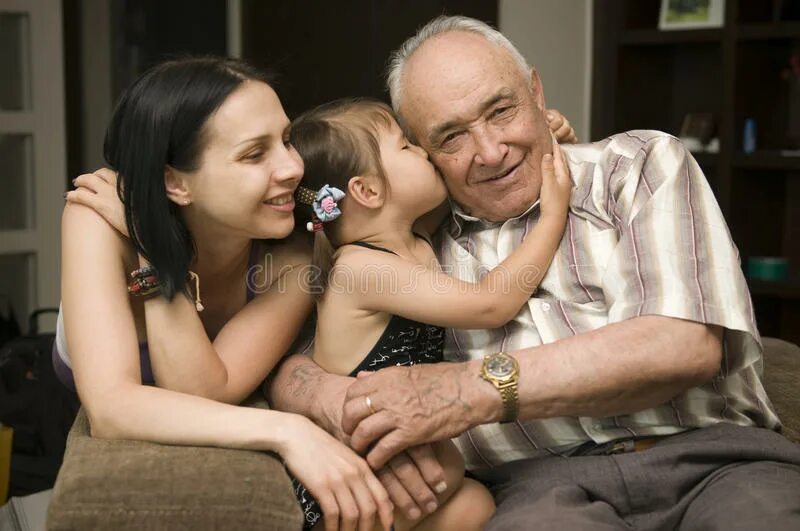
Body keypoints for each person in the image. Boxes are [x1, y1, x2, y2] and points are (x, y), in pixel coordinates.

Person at [269, 16, 800, 530]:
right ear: (425, 154)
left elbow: (682, 345)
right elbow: (301, 358)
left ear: (537, 94)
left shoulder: (636, 166)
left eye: (502, 111)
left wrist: (463, 389)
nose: (491, 151)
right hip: (538, 488)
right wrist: (333, 401)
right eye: (450, 137)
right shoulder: (414, 242)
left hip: (714, 462)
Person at [60, 56, 396, 531]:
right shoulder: (98, 215)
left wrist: (151, 251)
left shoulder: (295, 252)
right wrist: (287, 430)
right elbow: (112, 408)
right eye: (254, 154)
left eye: (285, 140)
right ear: (173, 182)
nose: (293, 168)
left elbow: (205, 390)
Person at [284, 97, 572, 529]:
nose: (423, 152)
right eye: (405, 146)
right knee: (465, 491)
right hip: (362, 476)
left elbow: (473, 186)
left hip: (421, 471)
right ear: (367, 190)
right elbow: (490, 303)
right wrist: (553, 212)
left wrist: (540, 141)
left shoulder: (413, 236)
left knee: (476, 503)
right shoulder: (360, 268)